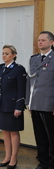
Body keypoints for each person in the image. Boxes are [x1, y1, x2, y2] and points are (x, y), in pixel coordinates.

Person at [0, 45, 26, 169]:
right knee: (5, 132)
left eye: (7, 53)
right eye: (3, 53)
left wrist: (19, 106)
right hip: (2, 104)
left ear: (14, 55)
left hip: (13, 105)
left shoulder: (19, 69)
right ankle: (7, 156)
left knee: (13, 132)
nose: (4, 55)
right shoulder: (0, 68)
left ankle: (14, 158)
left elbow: (21, 90)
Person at [26, 31, 54, 169]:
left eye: (43, 40)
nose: (40, 42)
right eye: (39, 40)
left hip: (49, 103)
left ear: (51, 42)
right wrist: (28, 101)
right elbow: (29, 81)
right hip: (35, 102)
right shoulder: (34, 59)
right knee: (40, 135)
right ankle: (43, 161)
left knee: (51, 135)